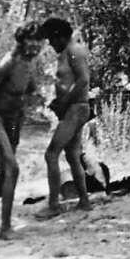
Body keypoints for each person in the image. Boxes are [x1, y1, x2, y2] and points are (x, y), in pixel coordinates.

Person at [0, 22, 43, 240]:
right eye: (31, 40)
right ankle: (5, 228)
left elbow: (29, 91)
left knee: (6, 169)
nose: (35, 45)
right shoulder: (9, 63)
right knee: (12, 167)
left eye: (39, 41)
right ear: (22, 42)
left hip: (13, 120)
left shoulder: (30, 64)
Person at [34, 18, 92, 219]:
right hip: (72, 108)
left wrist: (63, 101)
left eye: (51, 39)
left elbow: (83, 80)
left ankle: (54, 205)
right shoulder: (68, 52)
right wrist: (58, 102)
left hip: (76, 109)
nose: (50, 44)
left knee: (51, 154)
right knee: (72, 155)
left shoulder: (74, 50)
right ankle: (84, 201)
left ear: (59, 36)